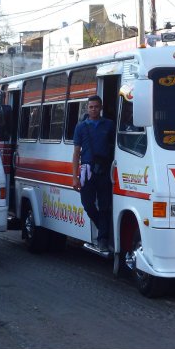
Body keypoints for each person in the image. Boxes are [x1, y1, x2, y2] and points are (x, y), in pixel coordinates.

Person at [72, 95, 115, 252]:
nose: (93, 109)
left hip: (104, 171)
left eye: (96, 106)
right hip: (86, 171)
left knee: (104, 206)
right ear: (87, 108)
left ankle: (102, 239)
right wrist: (74, 177)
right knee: (88, 204)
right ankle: (104, 229)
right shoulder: (81, 127)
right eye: (91, 107)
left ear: (101, 108)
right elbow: (76, 153)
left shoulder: (109, 125)